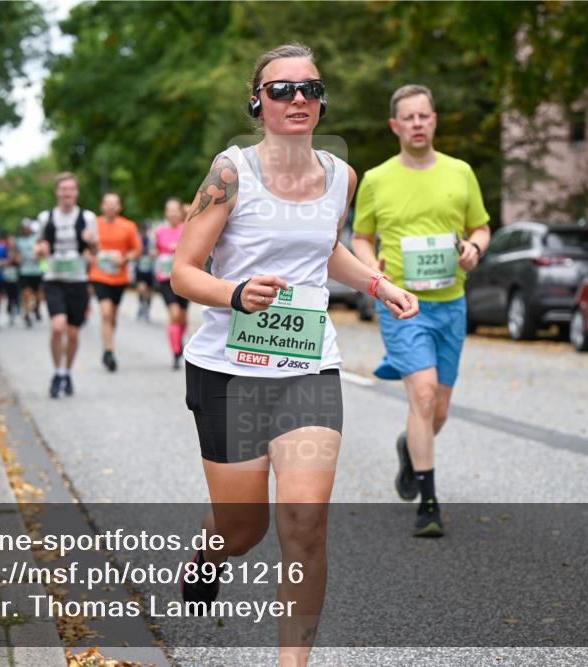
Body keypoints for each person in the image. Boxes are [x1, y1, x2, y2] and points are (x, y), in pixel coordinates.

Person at [171, 44, 417, 667]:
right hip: (228, 370)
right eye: (281, 90)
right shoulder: (230, 173)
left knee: (304, 524)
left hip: (308, 366)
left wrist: (377, 284)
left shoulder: (341, 175)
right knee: (243, 529)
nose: (298, 99)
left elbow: (325, 248)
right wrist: (235, 293)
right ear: (258, 102)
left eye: (309, 88)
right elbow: (181, 271)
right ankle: (209, 551)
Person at [351, 84, 491, 538]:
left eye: (424, 116)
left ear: (434, 120)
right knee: (424, 394)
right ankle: (428, 503)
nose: (417, 123)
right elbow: (359, 238)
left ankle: (410, 451)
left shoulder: (460, 172)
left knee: (441, 408)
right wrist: (373, 268)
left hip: (451, 302)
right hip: (401, 303)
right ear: (395, 126)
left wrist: (473, 248)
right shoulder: (375, 179)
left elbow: (481, 227)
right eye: (408, 117)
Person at [35, 172, 97, 398]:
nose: (67, 193)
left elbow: (94, 252)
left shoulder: (88, 218)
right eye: (63, 189)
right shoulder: (45, 217)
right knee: (57, 327)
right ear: (57, 192)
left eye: (71, 189)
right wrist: (40, 252)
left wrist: (91, 242)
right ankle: (57, 371)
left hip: (78, 280)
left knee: (72, 333)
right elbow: (38, 248)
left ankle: (67, 371)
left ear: (76, 192)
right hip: (53, 278)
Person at [89, 191, 142, 372]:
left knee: (113, 315)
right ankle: (110, 352)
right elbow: (86, 249)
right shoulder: (93, 225)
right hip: (99, 275)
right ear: (102, 206)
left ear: (119, 206)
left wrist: (125, 259)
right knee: (105, 312)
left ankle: (107, 345)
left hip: (119, 277)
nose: (111, 206)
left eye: (114, 203)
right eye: (107, 203)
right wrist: (91, 257)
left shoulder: (128, 226)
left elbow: (136, 250)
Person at [153, 197, 189, 369]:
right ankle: (175, 352)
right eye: (169, 210)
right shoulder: (159, 231)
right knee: (174, 314)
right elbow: (155, 249)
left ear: (181, 212)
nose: (173, 213)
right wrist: (156, 254)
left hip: (185, 277)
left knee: (182, 318)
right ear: (165, 213)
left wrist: (180, 247)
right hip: (165, 278)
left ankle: (179, 340)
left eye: (176, 209)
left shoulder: (187, 228)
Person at [15, 218, 44, 327]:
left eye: (28, 227)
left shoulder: (37, 239)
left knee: (38, 294)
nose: (26, 229)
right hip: (25, 271)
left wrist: (39, 256)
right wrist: (17, 259)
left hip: (37, 271)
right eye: (24, 228)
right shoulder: (19, 241)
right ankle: (27, 314)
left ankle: (36, 307)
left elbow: (43, 255)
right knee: (26, 294)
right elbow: (15, 255)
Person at [134, 223, 155, 322]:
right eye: (143, 230)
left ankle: (147, 308)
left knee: (149, 291)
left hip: (151, 269)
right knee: (141, 289)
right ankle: (141, 305)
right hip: (140, 269)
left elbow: (157, 250)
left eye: (146, 230)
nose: (144, 232)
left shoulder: (152, 240)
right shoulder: (137, 240)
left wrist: (154, 253)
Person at [3, 234, 21, 326]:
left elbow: (18, 261)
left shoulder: (17, 251)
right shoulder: (4, 250)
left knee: (16, 295)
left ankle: (16, 309)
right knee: (9, 296)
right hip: (7, 276)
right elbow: (4, 262)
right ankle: (10, 313)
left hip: (16, 276)